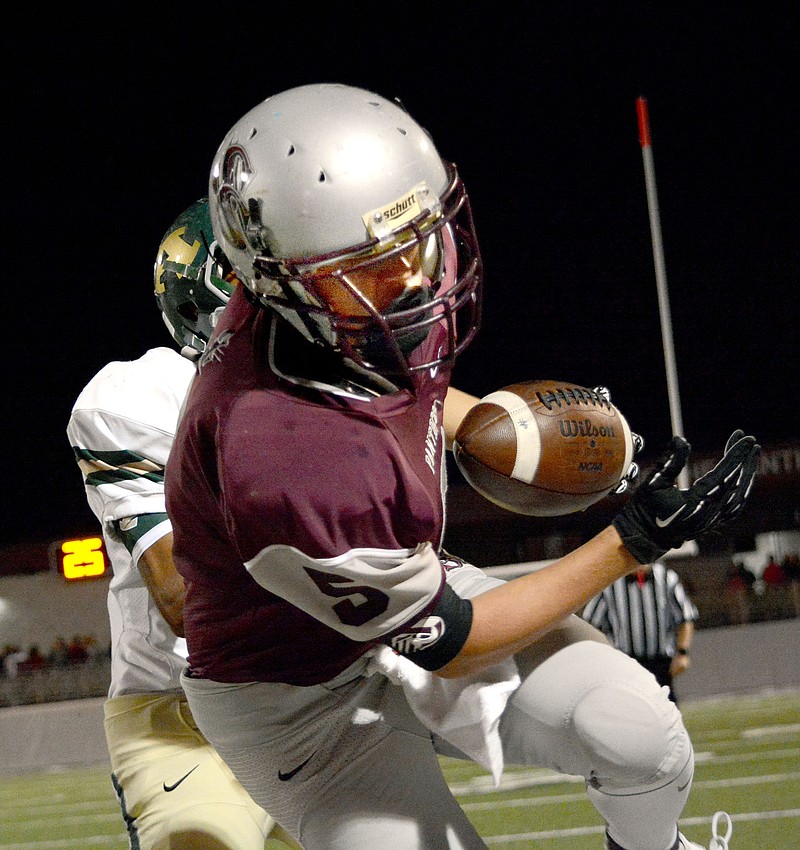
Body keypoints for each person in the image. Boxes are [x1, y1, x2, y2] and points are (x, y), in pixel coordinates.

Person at [165, 83, 757, 850]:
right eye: (377, 261)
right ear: (282, 281)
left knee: (640, 733)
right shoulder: (278, 450)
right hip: (298, 702)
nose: (417, 274)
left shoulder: (333, 307)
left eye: (419, 235)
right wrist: (629, 542)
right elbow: (451, 637)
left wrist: (592, 464)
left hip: (408, 590)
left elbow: (421, 401)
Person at [67, 199, 299, 849]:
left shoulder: (328, 401)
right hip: (182, 722)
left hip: (311, 709)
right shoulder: (141, 397)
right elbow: (182, 599)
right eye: (287, 280)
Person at [581, 562, 699, 703]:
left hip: (660, 662)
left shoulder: (667, 578)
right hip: (625, 663)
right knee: (629, 709)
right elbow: (591, 623)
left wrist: (682, 653)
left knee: (665, 711)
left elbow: (686, 618)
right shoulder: (610, 582)